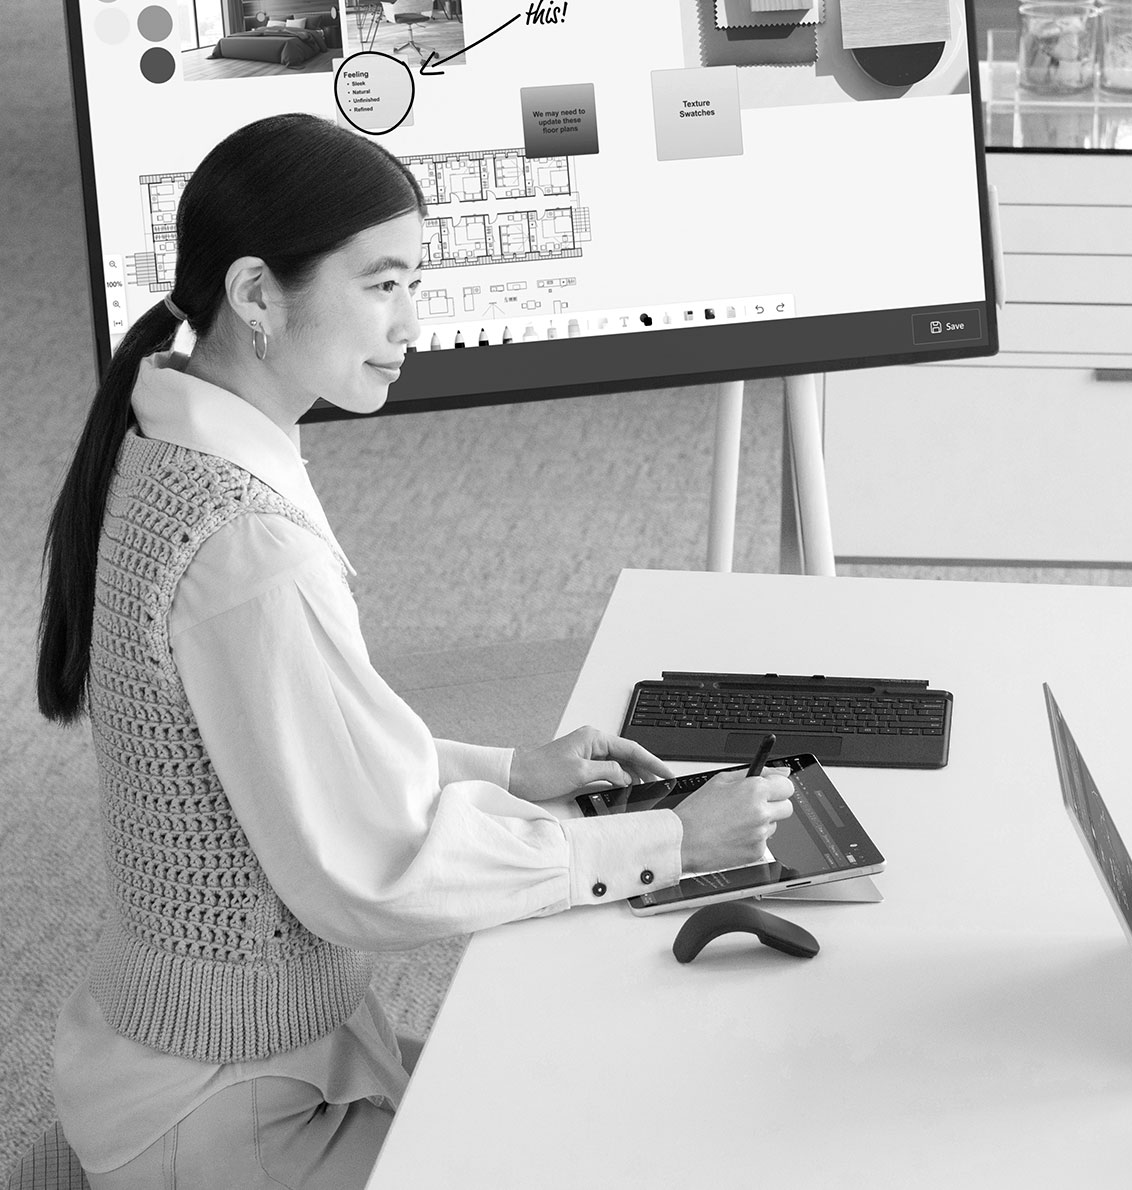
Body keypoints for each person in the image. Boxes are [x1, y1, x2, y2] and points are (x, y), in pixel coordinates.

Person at [34, 113, 793, 1189]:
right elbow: (376, 872)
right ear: (256, 295)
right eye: (383, 284)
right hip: (230, 1107)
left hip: (221, 1051)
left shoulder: (167, 437)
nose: (412, 322)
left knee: (573, 1098)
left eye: (416, 283)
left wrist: (512, 771)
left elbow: (302, 746)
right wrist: (669, 838)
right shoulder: (246, 544)